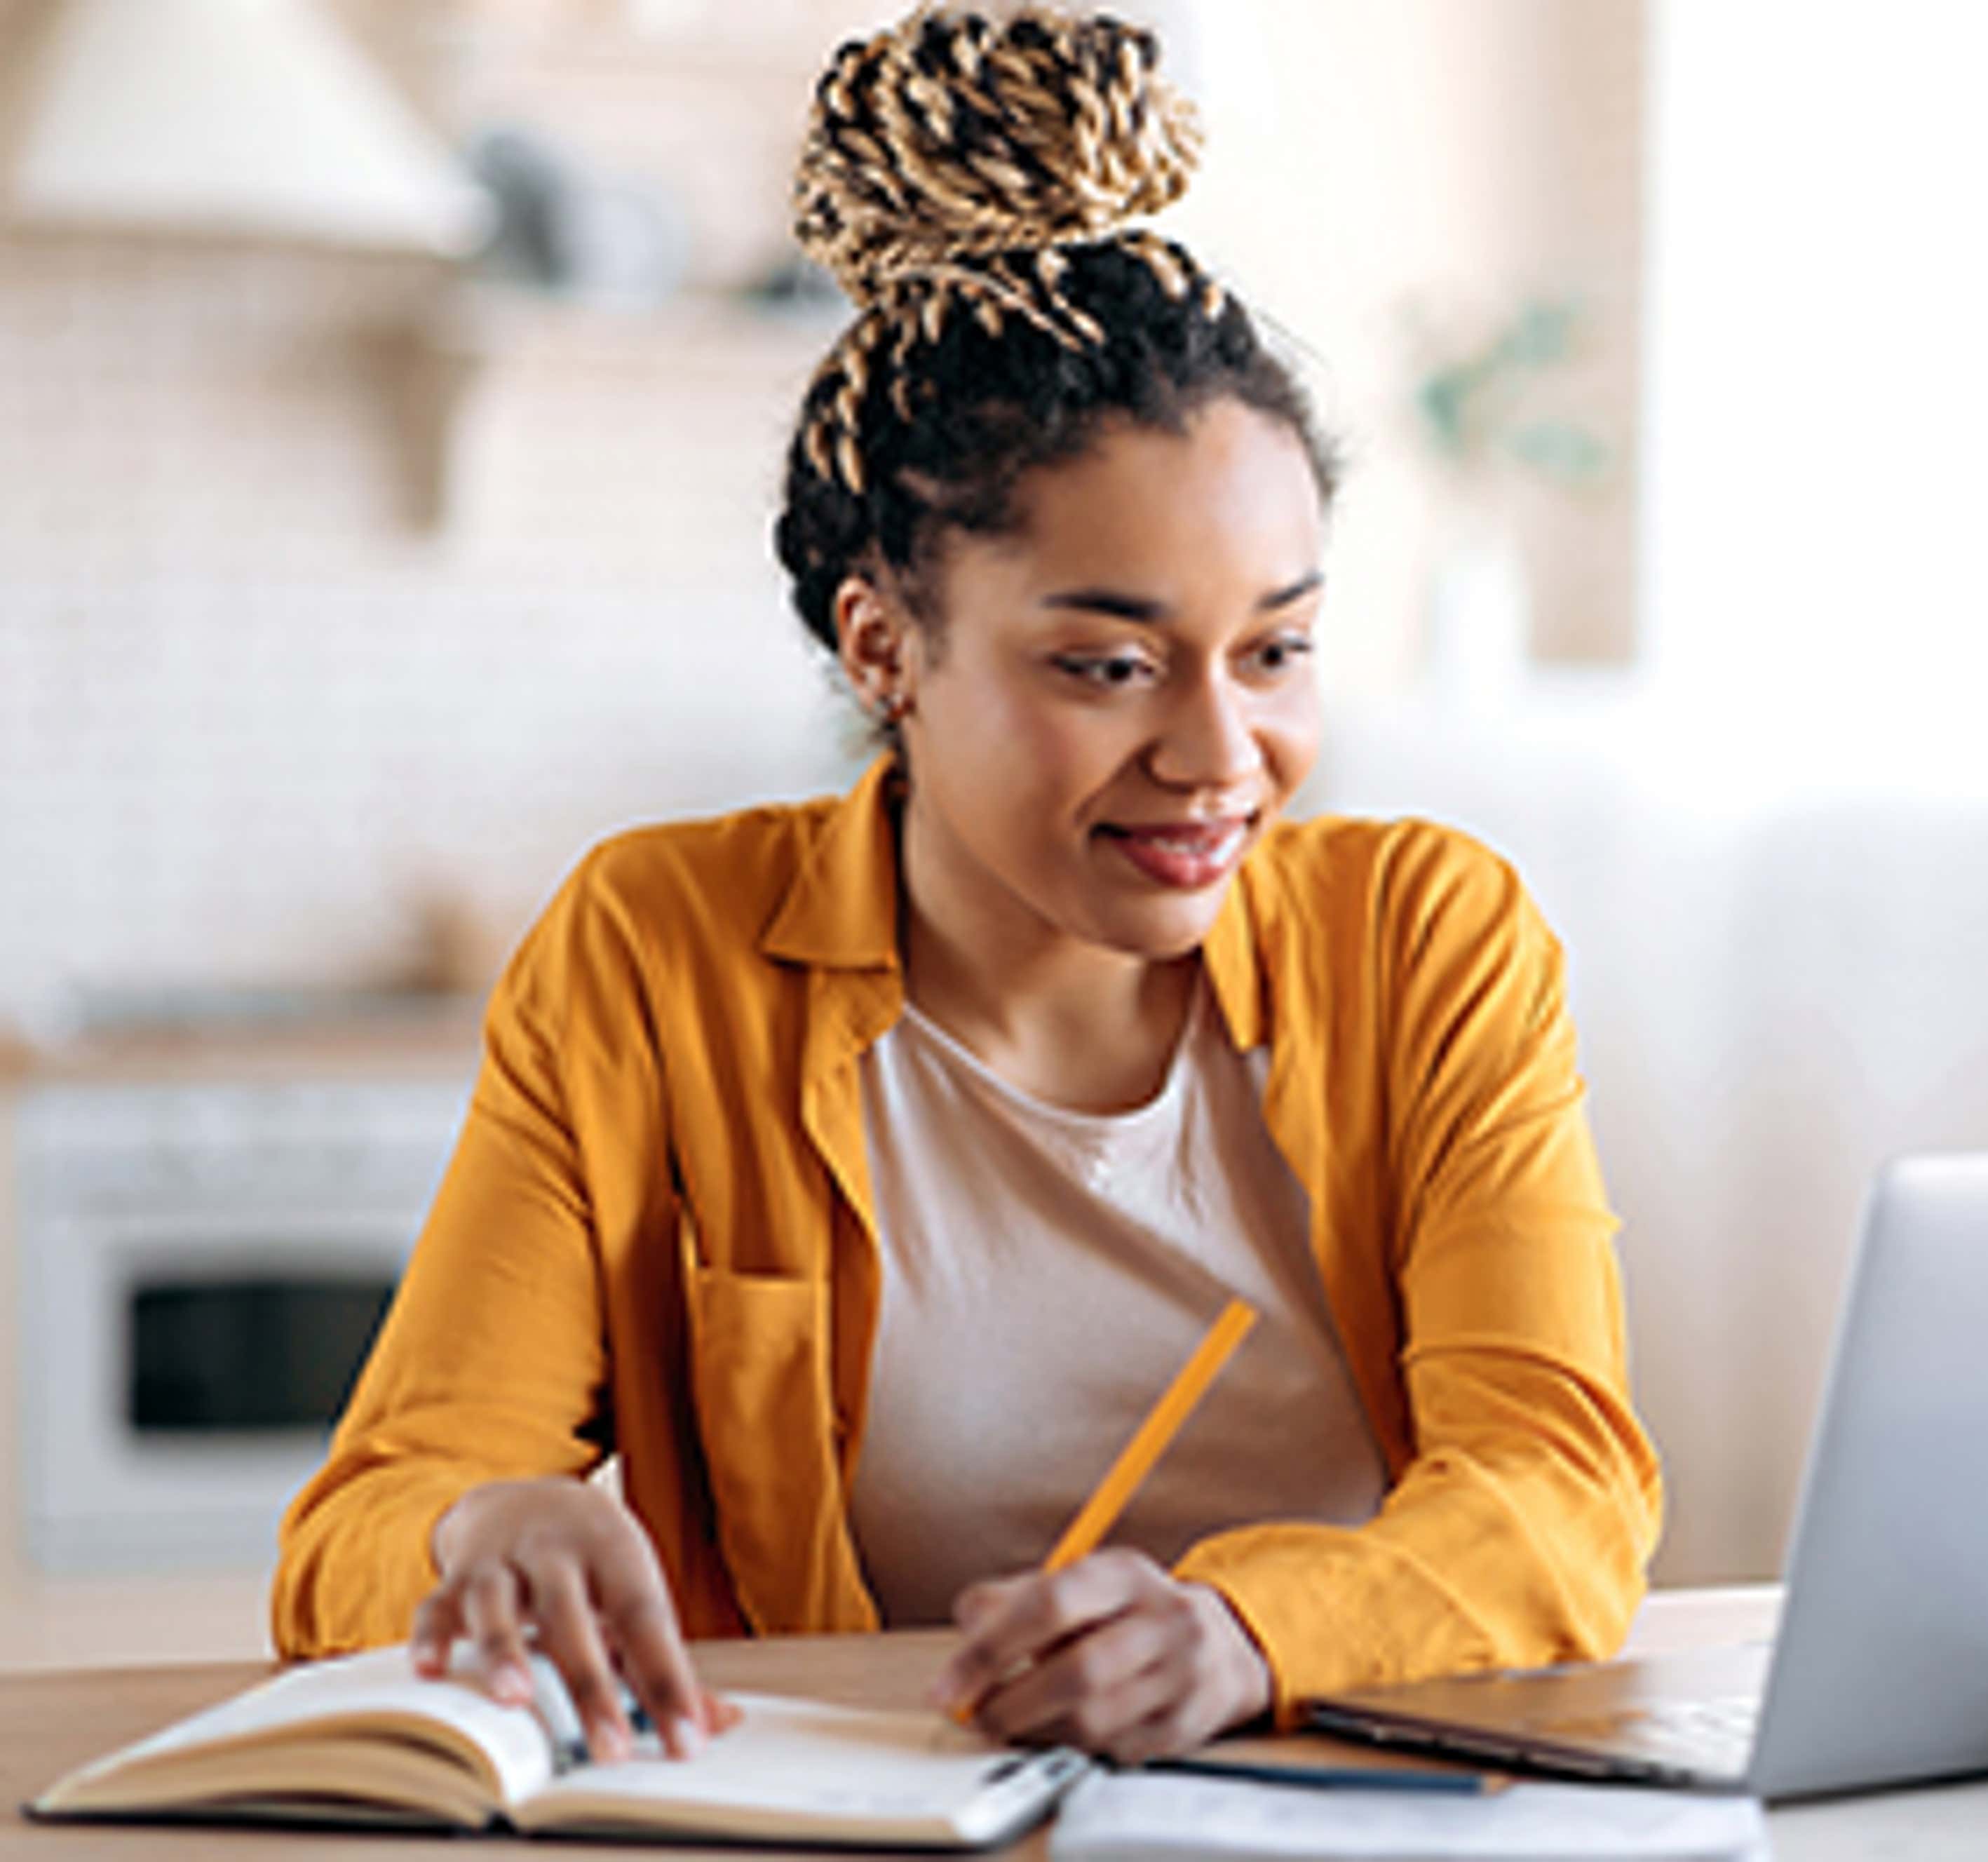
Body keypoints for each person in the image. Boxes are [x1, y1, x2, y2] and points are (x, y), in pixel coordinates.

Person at [272, 3, 1660, 1770]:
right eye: (1108, 665)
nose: (1219, 751)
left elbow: (1564, 1488)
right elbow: (357, 1528)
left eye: (1279, 649)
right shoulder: (656, 951)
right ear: (885, 647)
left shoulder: (1431, 941)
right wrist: (477, 1531)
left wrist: (1247, 1633)